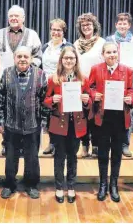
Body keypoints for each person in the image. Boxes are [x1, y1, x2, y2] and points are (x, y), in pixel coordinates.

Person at [0, 46, 47, 200]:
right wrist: (0, 121)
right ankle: (9, 184)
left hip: (33, 125)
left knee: (32, 157)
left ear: (31, 58)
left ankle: (31, 185)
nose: (22, 59)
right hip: (12, 125)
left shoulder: (40, 74)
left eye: (26, 56)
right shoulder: (6, 74)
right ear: (14, 58)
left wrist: (43, 122)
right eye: (19, 56)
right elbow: (0, 99)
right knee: (11, 157)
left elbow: (44, 101)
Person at [43, 45, 91, 203]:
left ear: (76, 60)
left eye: (72, 58)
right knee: (59, 156)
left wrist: (86, 100)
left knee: (72, 157)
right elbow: (44, 100)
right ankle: (58, 187)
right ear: (61, 60)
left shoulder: (83, 79)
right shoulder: (53, 79)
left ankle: (71, 186)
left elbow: (90, 102)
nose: (69, 61)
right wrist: (52, 101)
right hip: (59, 124)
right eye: (66, 58)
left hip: (76, 124)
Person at [0, 5, 43, 155]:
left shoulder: (32, 34)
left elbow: (39, 57)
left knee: (25, 111)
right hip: (5, 80)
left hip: (26, 80)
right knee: (7, 111)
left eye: (17, 16)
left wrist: (25, 68)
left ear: (23, 18)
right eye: (11, 16)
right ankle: (7, 144)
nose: (14, 18)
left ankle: (26, 146)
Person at [89, 42, 133, 202]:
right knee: (102, 153)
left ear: (118, 53)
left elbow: (130, 90)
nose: (112, 55)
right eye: (108, 52)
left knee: (116, 153)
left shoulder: (127, 70)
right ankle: (103, 183)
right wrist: (94, 94)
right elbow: (90, 87)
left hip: (120, 118)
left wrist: (131, 98)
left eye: (114, 52)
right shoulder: (96, 69)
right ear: (103, 54)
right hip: (102, 117)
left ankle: (113, 185)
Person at [105, 12, 133, 158]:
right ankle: (109, 143)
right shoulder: (109, 40)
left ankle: (125, 144)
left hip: (130, 81)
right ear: (116, 25)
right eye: (120, 23)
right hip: (111, 81)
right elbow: (103, 56)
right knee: (110, 113)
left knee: (128, 112)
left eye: (125, 23)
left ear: (129, 25)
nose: (122, 25)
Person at [74, 12, 106, 158]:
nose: (86, 27)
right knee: (82, 117)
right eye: (83, 25)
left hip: (97, 85)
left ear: (94, 26)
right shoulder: (76, 44)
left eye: (89, 24)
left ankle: (97, 146)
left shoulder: (102, 42)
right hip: (80, 85)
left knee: (96, 117)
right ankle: (84, 145)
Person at [41, 18, 73, 155]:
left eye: (59, 30)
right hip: (46, 84)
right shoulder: (45, 47)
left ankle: (60, 143)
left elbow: (72, 64)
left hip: (62, 84)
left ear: (63, 32)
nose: (56, 32)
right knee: (48, 115)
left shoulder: (68, 47)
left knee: (60, 114)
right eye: (53, 29)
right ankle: (51, 142)